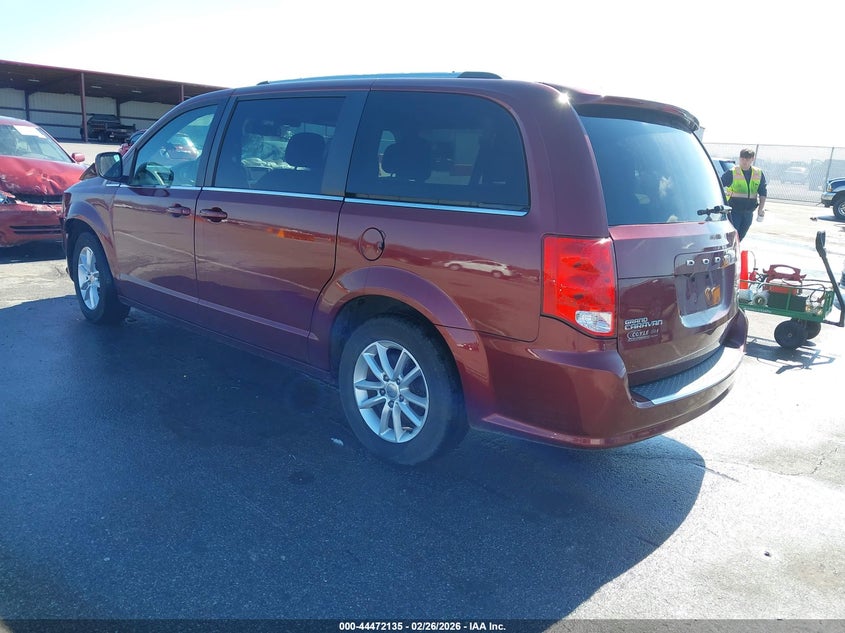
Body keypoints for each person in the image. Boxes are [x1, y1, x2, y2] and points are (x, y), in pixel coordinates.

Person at [721, 148, 767, 240]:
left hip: (749, 212)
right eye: (742, 158)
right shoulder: (732, 172)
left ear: (752, 159)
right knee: (732, 236)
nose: (744, 161)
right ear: (739, 158)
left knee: (740, 236)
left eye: (747, 159)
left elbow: (763, 191)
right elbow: (718, 185)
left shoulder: (758, 173)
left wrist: (760, 209)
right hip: (734, 211)